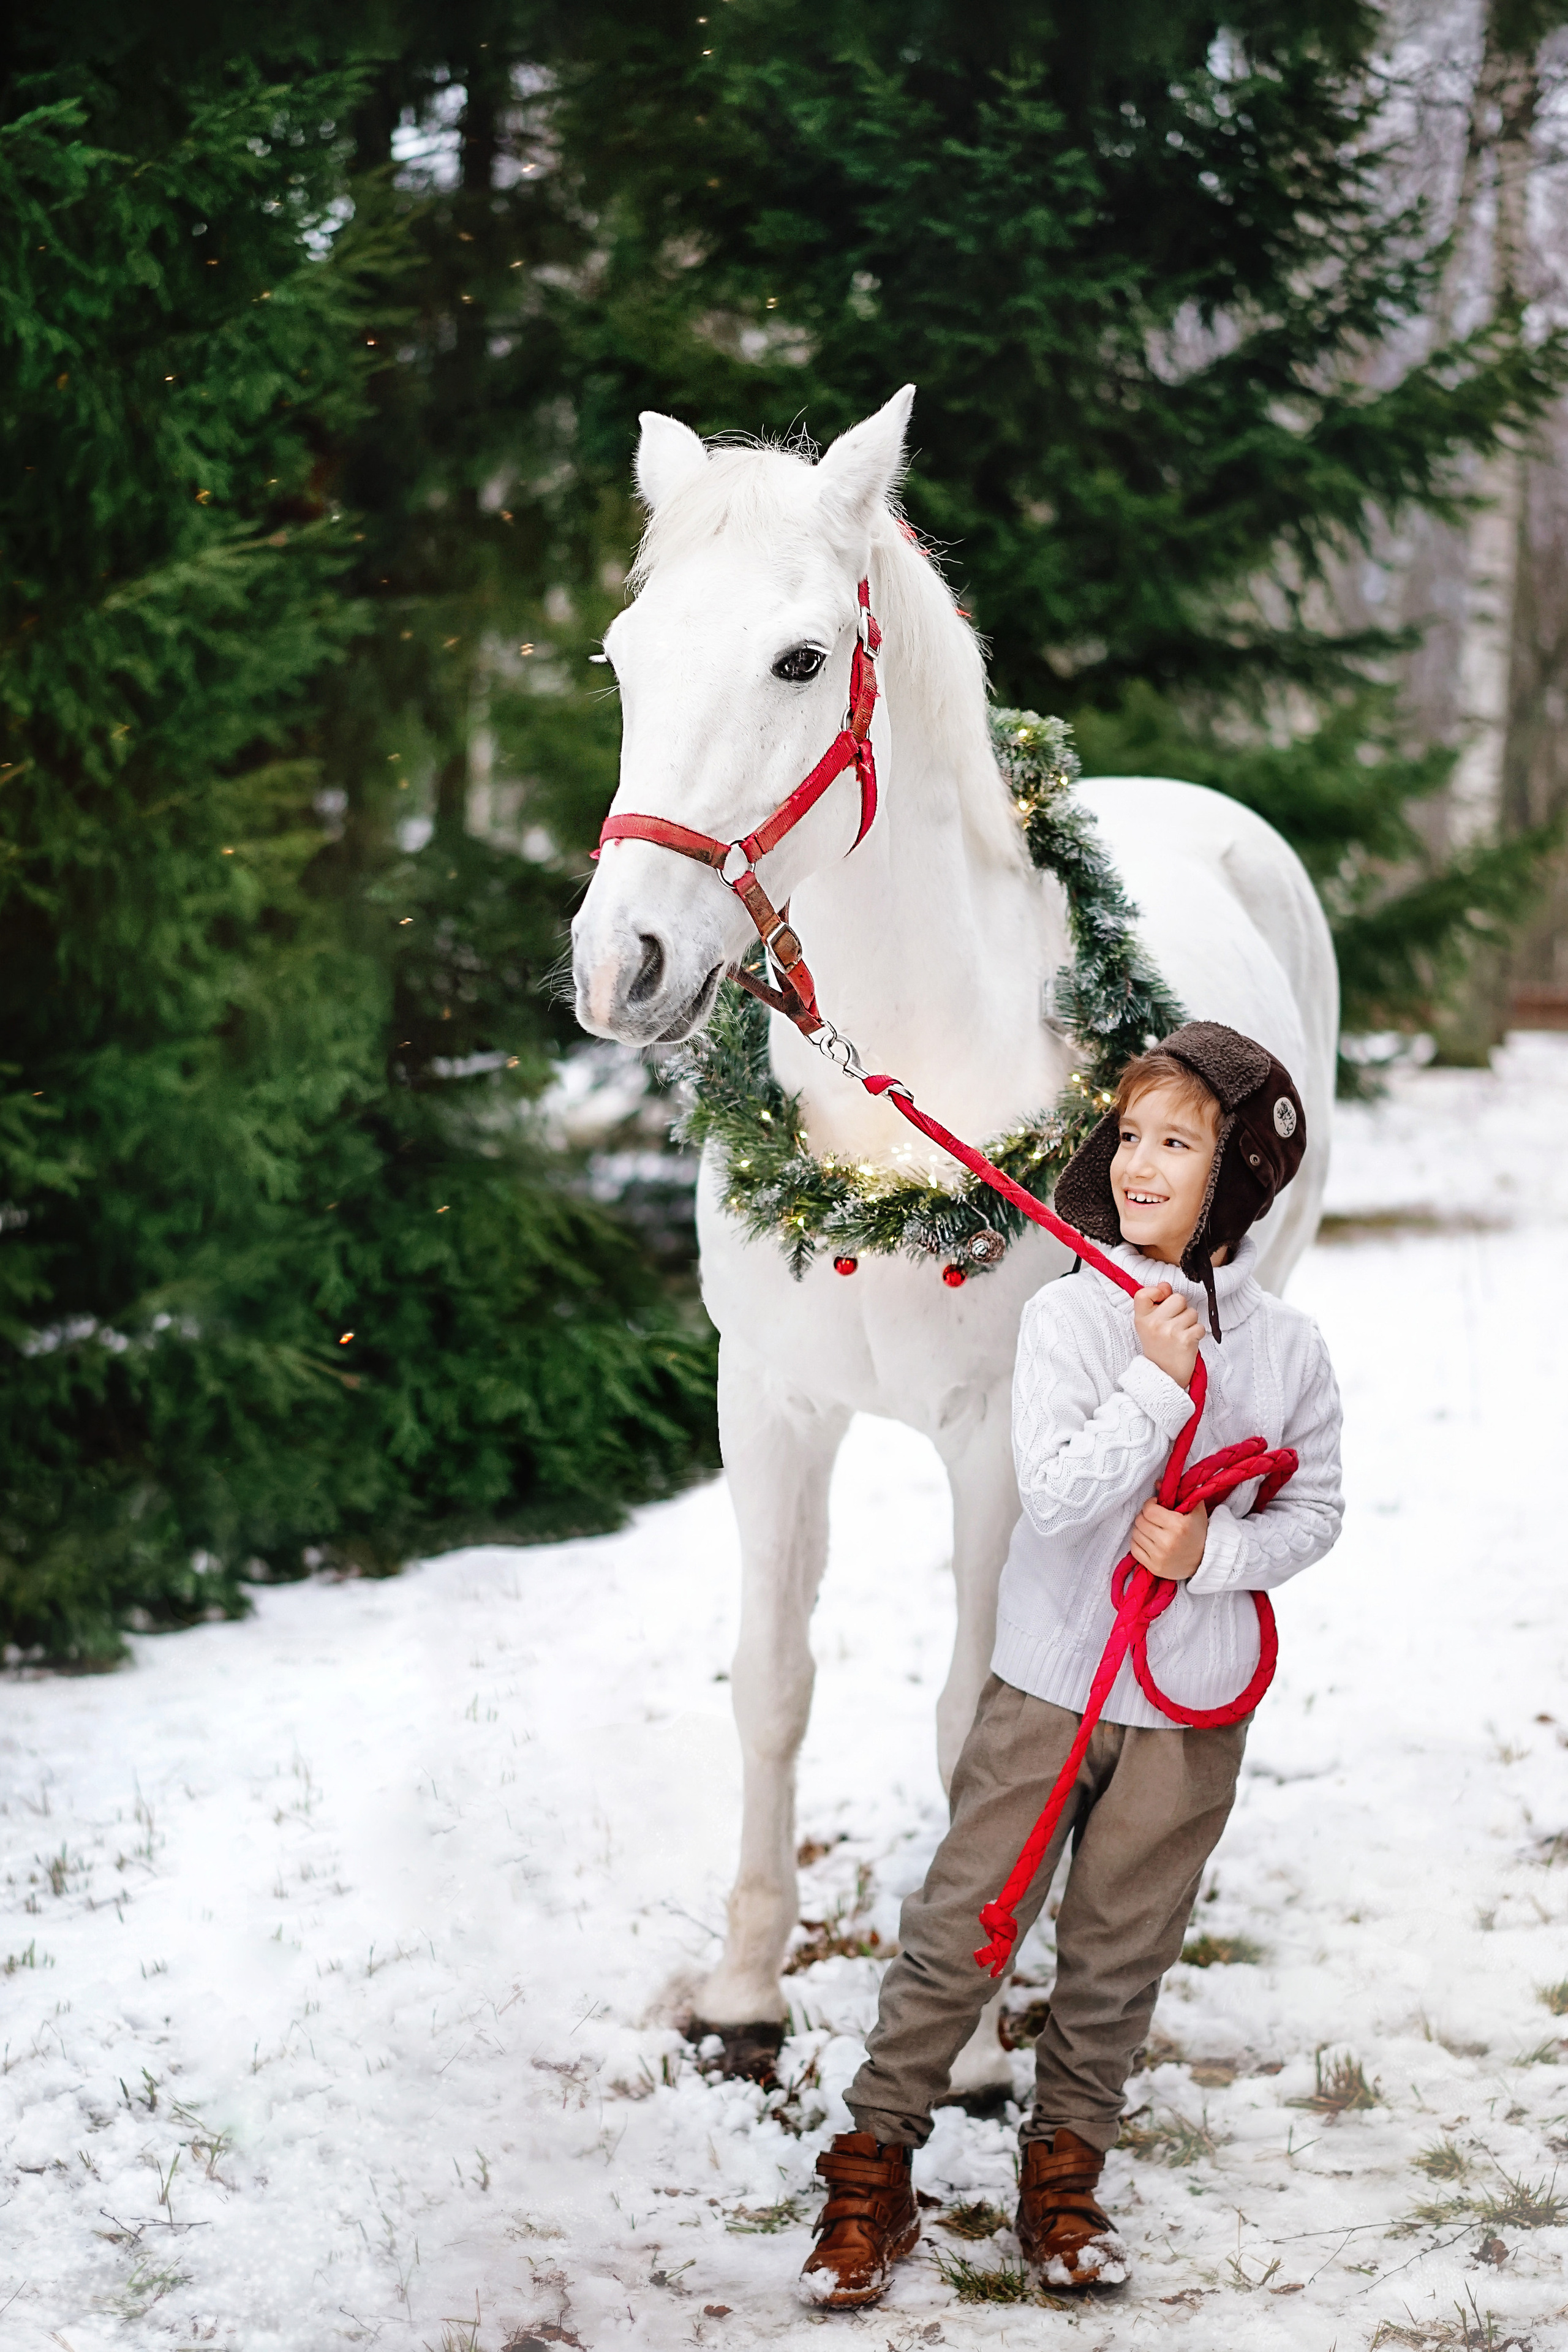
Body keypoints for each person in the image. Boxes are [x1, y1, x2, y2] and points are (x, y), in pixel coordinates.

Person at [798, 1022, 1344, 2307]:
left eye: (1180, 1143)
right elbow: (1053, 1501)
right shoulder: (1069, 1318)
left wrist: (1212, 1552)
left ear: (1241, 1181)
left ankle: (1063, 2178)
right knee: (965, 1925)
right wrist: (1156, 1388)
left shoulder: (1287, 1351)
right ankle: (872, 2167)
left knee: (1117, 1948)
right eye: (1131, 1138)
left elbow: (1312, 1512)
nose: (1141, 1165)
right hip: (1050, 1686)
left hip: (1190, 1711)